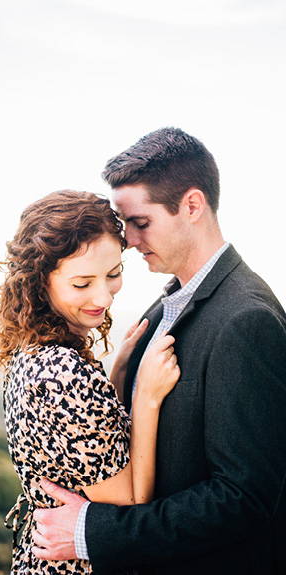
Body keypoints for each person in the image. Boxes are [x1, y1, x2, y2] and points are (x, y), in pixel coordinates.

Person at [31, 128, 286, 574]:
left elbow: (243, 499)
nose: (127, 239)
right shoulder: (165, 305)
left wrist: (93, 532)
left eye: (140, 222)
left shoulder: (247, 320)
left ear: (191, 205)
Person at [0, 189, 181, 574]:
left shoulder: (30, 350)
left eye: (113, 274)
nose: (103, 297)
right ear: (39, 282)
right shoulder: (62, 370)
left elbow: (83, 448)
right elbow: (129, 503)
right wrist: (145, 396)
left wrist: (117, 375)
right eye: (82, 284)